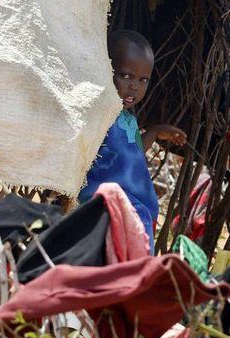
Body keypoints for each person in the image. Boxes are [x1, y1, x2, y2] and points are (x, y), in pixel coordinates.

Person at [79, 30, 186, 253]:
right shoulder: (97, 112)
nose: (134, 86)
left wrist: (155, 132)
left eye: (142, 80)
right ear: (106, 69)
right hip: (103, 205)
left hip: (138, 207)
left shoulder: (128, 120)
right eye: (126, 76)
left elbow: (134, 151)